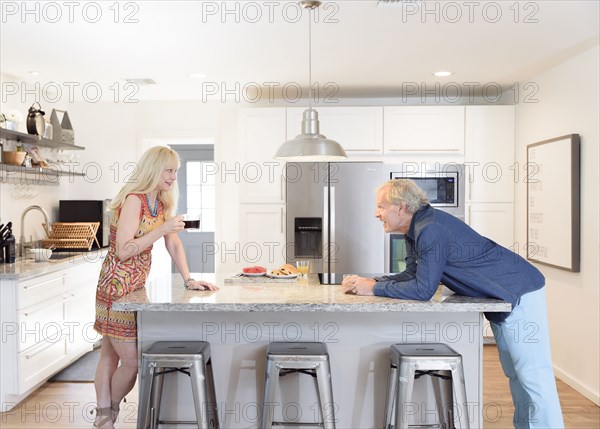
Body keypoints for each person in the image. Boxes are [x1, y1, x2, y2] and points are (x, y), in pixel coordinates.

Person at [342, 179, 564, 429]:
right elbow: (413, 275)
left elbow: (422, 290)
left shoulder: (430, 229)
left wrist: (373, 289)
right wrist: (373, 281)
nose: (376, 213)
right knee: (517, 376)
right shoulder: (417, 229)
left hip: (520, 291)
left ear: (401, 207)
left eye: (381, 206)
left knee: (534, 378)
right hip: (506, 296)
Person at [92, 146, 219, 428]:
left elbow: (172, 242)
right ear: (154, 169)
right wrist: (162, 229)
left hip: (134, 287)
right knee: (130, 360)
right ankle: (107, 414)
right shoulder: (134, 200)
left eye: (176, 171)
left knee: (109, 354)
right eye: (169, 170)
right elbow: (124, 250)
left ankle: (103, 418)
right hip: (115, 287)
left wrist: (189, 279)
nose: (174, 177)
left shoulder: (159, 203)